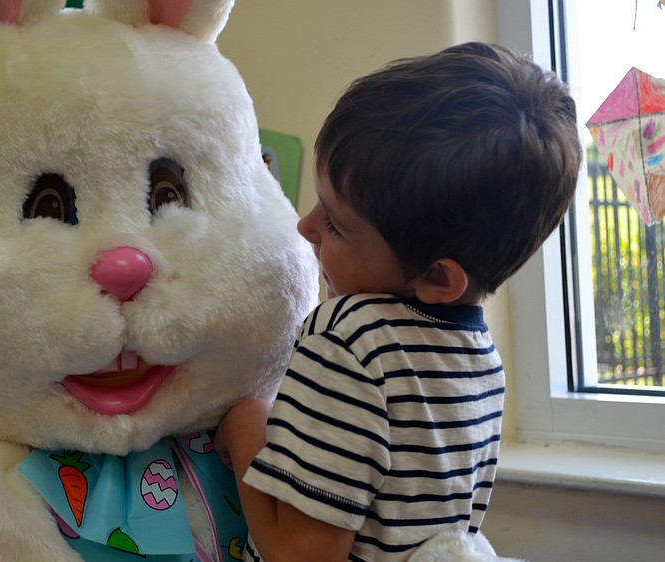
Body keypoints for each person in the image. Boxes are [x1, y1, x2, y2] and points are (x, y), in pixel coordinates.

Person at [215, 41, 581, 562]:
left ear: (437, 276)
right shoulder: (481, 360)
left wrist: (246, 419)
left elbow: (300, 555)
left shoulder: (348, 340)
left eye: (336, 225)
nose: (305, 227)